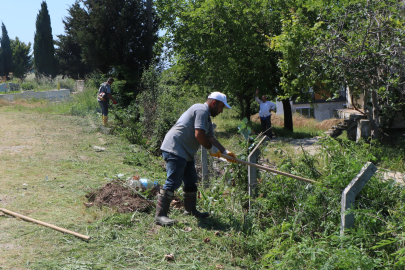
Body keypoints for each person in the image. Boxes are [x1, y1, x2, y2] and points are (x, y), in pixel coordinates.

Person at [156, 92, 237, 226]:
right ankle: (160, 216)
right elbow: (199, 135)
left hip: (185, 152)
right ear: (214, 103)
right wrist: (211, 149)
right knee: (173, 181)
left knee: (191, 180)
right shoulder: (201, 109)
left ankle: (191, 210)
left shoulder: (207, 118)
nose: (222, 111)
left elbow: (211, 138)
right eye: (221, 107)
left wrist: (225, 152)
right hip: (175, 148)